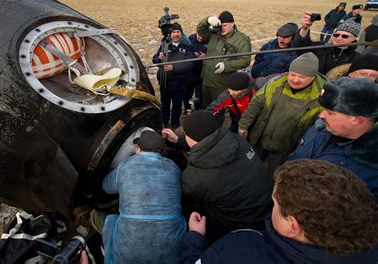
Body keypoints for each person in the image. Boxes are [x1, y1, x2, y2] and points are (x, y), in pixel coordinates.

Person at [181, 159, 378, 263]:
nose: (271, 207)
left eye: (275, 204)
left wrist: (195, 237)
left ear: (292, 225)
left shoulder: (236, 251)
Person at [162, 110, 273, 242]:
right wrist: (179, 141)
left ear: (189, 137)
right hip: (268, 211)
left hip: (239, 229)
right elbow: (207, 144)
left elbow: (177, 195)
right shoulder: (238, 141)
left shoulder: (195, 177)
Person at [93, 130, 186, 263]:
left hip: (128, 255)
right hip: (171, 251)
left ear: (138, 149)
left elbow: (106, 187)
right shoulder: (174, 168)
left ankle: (107, 250)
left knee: (98, 216)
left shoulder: (126, 166)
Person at [289, 77, 378, 201]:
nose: (321, 115)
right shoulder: (320, 127)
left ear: (357, 120)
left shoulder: (370, 169)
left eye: (330, 113)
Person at [238, 53, 326, 173]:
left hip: (285, 149)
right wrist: (244, 125)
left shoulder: (320, 98)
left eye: (302, 77)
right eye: (293, 74)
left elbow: (318, 129)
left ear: (312, 77)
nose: (295, 80)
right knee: (250, 165)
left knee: (276, 172)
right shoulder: (275, 83)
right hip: (260, 139)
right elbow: (256, 103)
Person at [196, 11, 252, 107]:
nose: (222, 28)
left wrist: (226, 66)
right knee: (206, 105)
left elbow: (245, 60)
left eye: (225, 25)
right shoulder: (215, 33)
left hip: (221, 83)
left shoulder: (241, 40)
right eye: (220, 25)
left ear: (233, 24)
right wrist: (208, 20)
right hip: (206, 79)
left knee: (218, 108)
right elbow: (200, 30)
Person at [152, 22, 194, 128]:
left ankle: (175, 123)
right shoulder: (164, 45)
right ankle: (164, 121)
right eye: (173, 32)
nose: (176, 34)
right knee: (164, 104)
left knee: (177, 105)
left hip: (179, 84)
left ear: (181, 33)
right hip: (164, 83)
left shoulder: (186, 46)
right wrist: (159, 58)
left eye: (178, 32)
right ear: (170, 34)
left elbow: (190, 64)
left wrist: (173, 68)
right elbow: (155, 59)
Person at [293, 11, 361, 76]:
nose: (339, 38)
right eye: (336, 35)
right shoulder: (321, 47)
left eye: (345, 36)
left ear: (354, 38)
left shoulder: (357, 58)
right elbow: (301, 46)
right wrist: (305, 28)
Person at [184, 32, 208, 111]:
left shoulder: (209, 41)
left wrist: (205, 56)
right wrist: (193, 54)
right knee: (187, 93)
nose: (201, 38)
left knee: (199, 95)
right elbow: (185, 50)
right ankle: (187, 109)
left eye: (203, 37)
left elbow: (212, 54)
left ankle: (199, 110)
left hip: (201, 73)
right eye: (199, 35)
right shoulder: (190, 38)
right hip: (189, 72)